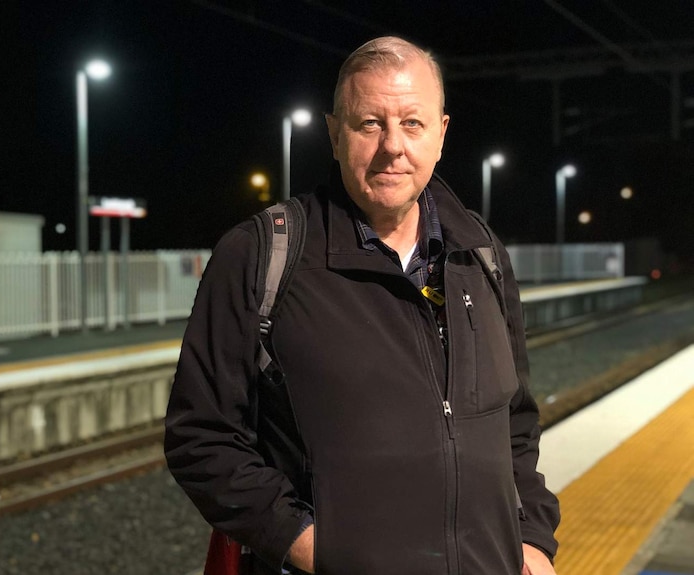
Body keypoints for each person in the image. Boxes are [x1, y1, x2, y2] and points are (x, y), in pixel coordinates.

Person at [164, 36, 560, 575]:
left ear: (441, 134)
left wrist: (533, 541)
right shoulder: (264, 255)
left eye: (412, 124)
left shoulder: (480, 253)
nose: (392, 146)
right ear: (334, 134)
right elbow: (201, 437)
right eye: (369, 123)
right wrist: (313, 547)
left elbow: (514, 420)